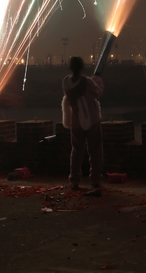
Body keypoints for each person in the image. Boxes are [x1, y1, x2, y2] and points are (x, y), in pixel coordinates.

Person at [62, 55, 104, 196]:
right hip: (91, 120)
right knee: (95, 150)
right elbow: (97, 92)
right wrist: (97, 80)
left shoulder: (66, 83)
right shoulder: (87, 82)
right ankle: (95, 179)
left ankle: (74, 180)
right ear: (82, 68)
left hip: (76, 122)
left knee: (76, 152)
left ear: (70, 68)